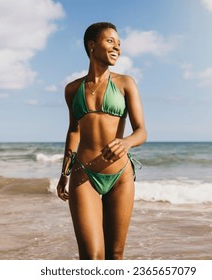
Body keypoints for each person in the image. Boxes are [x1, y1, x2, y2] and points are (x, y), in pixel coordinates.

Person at [56, 22, 147, 260]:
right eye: (110, 41)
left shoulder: (126, 83)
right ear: (92, 45)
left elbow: (141, 131)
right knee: (91, 257)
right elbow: (73, 130)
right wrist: (64, 173)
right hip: (84, 175)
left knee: (115, 255)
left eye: (119, 43)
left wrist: (126, 143)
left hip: (120, 177)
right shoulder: (72, 89)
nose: (116, 47)